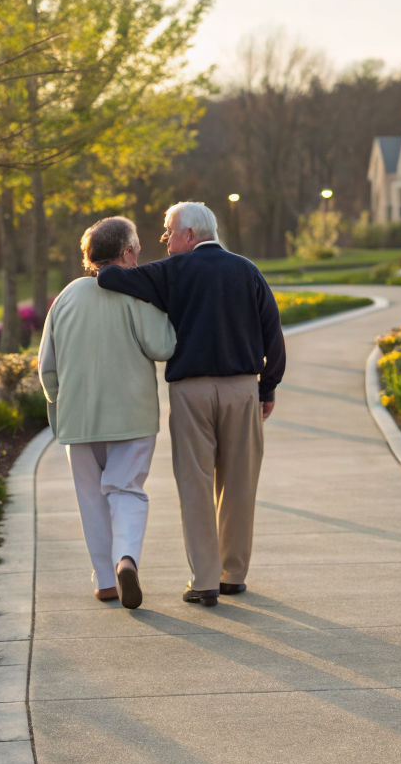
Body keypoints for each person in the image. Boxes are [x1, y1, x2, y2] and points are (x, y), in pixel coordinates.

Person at [96, 201, 284, 607]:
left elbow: (110, 277)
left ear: (189, 235)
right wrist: (266, 388)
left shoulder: (169, 272)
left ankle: (204, 581)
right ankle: (233, 575)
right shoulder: (247, 270)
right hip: (241, 390)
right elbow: (273, 331)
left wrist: (118, 260)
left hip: (190, 392)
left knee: (195, 486)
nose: (164, 241)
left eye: (167, 232)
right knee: (239, 484)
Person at [37, 217, 176, 609]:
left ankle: (104, 582)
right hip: (131, 416)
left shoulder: (65, 298)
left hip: (78, 421)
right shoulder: (135, 294)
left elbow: (47, 366)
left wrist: (58, 408)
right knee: (126, 489)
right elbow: (164, 345)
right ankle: (126, 558)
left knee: (90, 499)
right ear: (127, 253)